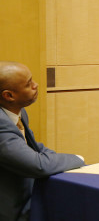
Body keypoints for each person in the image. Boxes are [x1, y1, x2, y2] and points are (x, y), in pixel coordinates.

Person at [0, 61, 85, 221]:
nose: (36, 85)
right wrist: (78, 159)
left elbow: (34, 148)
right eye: (28, 84)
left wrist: (76, 165)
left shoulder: (18, 113)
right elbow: (36, 165)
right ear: (9, 95)